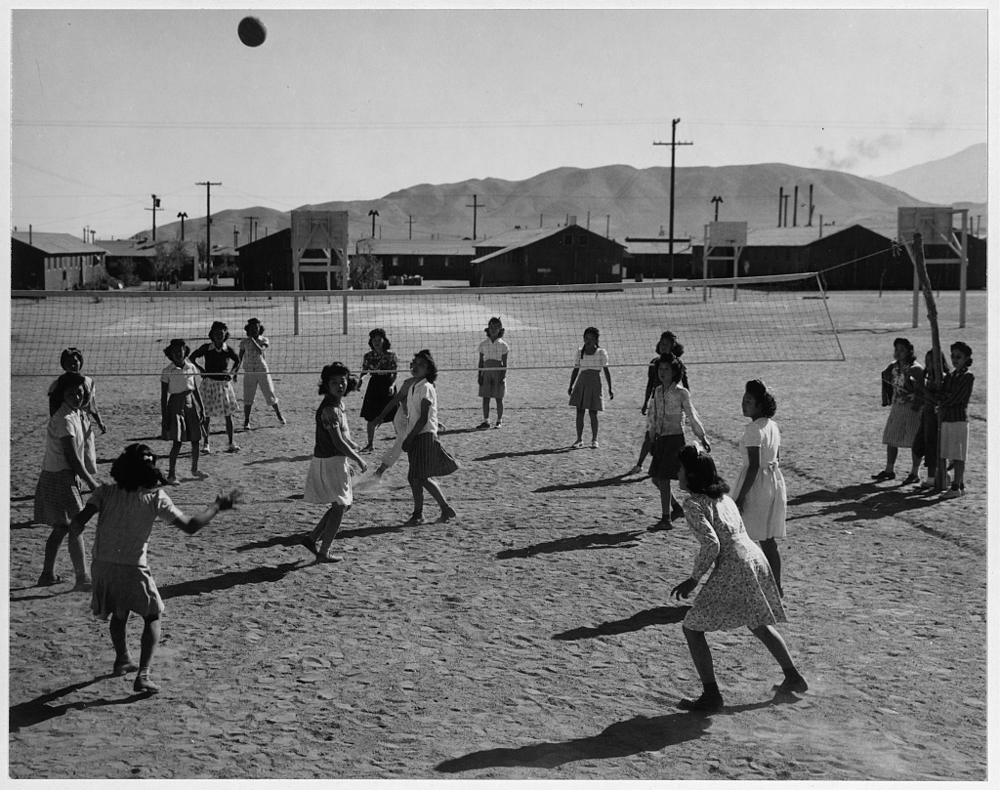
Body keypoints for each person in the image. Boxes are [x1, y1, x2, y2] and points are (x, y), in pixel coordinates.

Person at [67, 444, 241, 694]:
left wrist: (68, 526)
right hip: (133, 567)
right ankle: (143, 675)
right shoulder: (155, 497)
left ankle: (122, 659)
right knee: (152, 616)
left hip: (102, 565)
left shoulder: (105, 492)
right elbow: (190, 526)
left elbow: (79, 522)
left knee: (119, 613)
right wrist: (215, 507)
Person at [670, 444, 807, 712]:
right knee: (758, 623)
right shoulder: (724, 499)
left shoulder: (694, 504)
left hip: (734, 567)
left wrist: (694, 579)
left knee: (692, 628)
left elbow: (711, 545)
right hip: (754, 558)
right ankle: (793, 677)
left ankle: (711, 695)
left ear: (692, 477)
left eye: (681, 469)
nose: (678, 473)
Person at [34, 372, 100, 590]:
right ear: (62, 395)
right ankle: (82, 579)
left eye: (79, 393)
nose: (76, 397)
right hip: (59, 476)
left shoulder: (76, 414)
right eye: (70, 394)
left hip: (58, 475)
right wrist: (91, 483)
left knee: (62, 527)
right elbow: (72, 458)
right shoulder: (64, 419)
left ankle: (47, 575)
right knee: (75, 526)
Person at [632, 353, 710, 531]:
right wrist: (652, 438)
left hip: (675, 439)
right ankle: (676, 508)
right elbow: (654, 417)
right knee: (655, 478)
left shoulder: (681, 392)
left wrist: (702, 436)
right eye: (660, 368)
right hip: (661, 439)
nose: (662, 372)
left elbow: (692, 415)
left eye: (667, 368)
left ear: (675, 371)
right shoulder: (657, 392)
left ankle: (666, 519)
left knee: (664, 478)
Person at [302, 363, 368, 563]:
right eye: (334, 382)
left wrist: (352, 444)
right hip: (329, 461)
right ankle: (324, 552)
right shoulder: (329, 409)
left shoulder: (339, 404)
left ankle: (312, 538)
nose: (340, 385)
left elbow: (342, 436)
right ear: (326, 384)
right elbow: (337, 441)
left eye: (343, 381)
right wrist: (358, 459)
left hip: (335, 459)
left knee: (343, 505)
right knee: (341, 506)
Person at [731, 380, 788, 596]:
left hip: (756, 485)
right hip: (773, 481)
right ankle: (776, 585)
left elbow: (754, 465)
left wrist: (740, 497)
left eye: (749, 401)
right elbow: (776, 457)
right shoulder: (772, 426)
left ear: (760, 405)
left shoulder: (754, 429)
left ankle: (748, 585)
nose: (744, 404)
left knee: (742, 536)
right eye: (744, 399)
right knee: (767, 539)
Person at [401, 350, 458, 525]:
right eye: (415, 364)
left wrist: (409, 438)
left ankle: (419, 514)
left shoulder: (426, 387)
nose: (417, 367)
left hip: (423, 436)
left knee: (415, 477)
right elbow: (414, 413)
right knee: (421, 477)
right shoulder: (413, 387)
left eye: (422, 365)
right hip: (418, 435)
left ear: (429, 370)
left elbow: (423, 417)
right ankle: (445, 509)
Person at [926, 341, 974, 499]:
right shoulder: (950, 376)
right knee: (949, 452)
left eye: (959, 357)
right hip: (947, 418)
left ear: (966, 358)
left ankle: (955, 487)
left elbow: (957, 398)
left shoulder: (968, 377)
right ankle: (959, 484)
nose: (955, 359)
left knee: (958, 455)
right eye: (953, 356)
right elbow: (942, 394)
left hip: (958, 419)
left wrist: (942, 401)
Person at [47, 347, 106, 475]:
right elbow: (53, 411)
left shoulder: (88, 382)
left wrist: (100, 422)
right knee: (70, 458)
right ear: (63, 365)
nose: (72, 365)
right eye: (68, 363)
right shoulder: (57, 385)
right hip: (67, 424)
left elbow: (92, 405)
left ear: (81, 362)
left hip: (84, 424)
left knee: (87, 454)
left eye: (75, 361)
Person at [189, 321, 242, 454]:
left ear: (225, 334)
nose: (219, 335)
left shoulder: (227, 349)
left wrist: (232, 372)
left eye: (222, 333)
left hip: (223, 384)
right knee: (206, 415)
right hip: (210, 383)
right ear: (212, 334)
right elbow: (192, 357)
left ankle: (231, 443)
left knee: (228, 415)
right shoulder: (206, 348)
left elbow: (237, 360)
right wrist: (201, 369)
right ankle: (206, 443)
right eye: (217, 333)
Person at [872, 338, 920, 481]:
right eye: (896, 350)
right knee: (891, 438)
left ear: (909, 352)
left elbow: (920, 390)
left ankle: (915, 473)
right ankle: (889, 469)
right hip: (897, 406)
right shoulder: (893, 367)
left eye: (902, 350)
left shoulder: (915, 368)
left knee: (913, 440)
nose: (898, 353)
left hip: (912, 409)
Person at [160, 339, 206, 484]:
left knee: (196, 439)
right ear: (170, 354)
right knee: (177, 442)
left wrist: (202, 408)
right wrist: (165, 416)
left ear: (185, 351)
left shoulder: (191, 367)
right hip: (175, 405)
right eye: (175, 352)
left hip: (190, 404)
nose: (178, 354)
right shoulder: (167, 371)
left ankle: (194, 469)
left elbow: (195, 389)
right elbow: (163, 396)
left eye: (181, 350)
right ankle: (171, 475)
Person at [568, 326, 614, 449]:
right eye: (586, 338)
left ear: (596, 340)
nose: (588, 341)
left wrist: (610, 388)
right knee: (580, 412)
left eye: (592, 338)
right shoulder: (580, 352)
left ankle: (594, 439)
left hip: (595, 383)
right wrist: (571, 385)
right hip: (582, 382)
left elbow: (606, 370)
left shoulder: (601, 353)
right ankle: (579, 439)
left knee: (593, 413)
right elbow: (576, 369)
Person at [910, 349, 949, 489]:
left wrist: (922, 388)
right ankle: (939, 474)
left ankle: (932, 480)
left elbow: (937, 400)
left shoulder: (941, 378)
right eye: (926, 360)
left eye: (931, 360)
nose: (928, 363)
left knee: (931, 447)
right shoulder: (929, 377)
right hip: (926, 415)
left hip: (934, 416)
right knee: (918, 445)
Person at [238, 317, 285, 430]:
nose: (254, 330)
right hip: (249, 371)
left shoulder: (263, 340)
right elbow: (240, 357)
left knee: (270, 393)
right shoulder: (244, 342)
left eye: (256, 328)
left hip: (262, 370)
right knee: (248, 397)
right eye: (252, 328)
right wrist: (235, 370)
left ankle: (279, 415)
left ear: (260, 329)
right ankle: (246, 421)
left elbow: (260, 350)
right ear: (248, 329)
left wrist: (252, 340)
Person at [358, 328, 398, 452]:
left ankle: (402, 440)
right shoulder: (368, 356)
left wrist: (392, 386)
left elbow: (395, 373)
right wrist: (361, 380)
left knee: (395, 415)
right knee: (370, 416)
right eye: (374, 340)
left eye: (379, 340)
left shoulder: (391, 355)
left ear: (384, 341)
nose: (376, 342)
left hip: (387, 384)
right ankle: (370, 444)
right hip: (374, 384)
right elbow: (364, 371)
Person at [641, 332, 689, 415]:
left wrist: (687, 404)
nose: (663, 346)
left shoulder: (677, 363)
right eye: (662, 343)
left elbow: (685, 383)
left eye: (667, 344)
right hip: (656, 399)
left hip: (672, 400)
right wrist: (645, 402)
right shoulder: (654, 363)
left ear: (672, 346)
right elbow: (650, 384)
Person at [477, 317, 510, 429]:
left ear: (500, 329)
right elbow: (481, 362)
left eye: (496, 327)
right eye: (491, 327)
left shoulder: (503, 345)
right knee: (486, 397)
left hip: (498, 372)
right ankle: (486, 421)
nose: (493, 329)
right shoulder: (483, 344)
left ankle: (499, 421)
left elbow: (505, 363)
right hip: (486, 372)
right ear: (488, 328)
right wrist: (479, 375)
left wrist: (503, 376)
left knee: (498, 398)